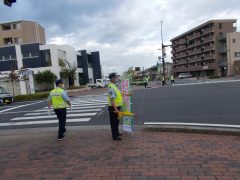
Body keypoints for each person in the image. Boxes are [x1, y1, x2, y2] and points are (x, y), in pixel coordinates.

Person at [108, 73, 131, 141]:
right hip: (113, 107)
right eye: (115, 77)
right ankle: (114, 136)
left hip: (117, 106)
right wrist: (116, 109)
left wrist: (128, 94)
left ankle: (117, 133)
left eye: (117, 77)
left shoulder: (114, 86)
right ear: (112, 78)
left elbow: (119, 93)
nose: (117, 79)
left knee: (117, 121)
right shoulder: (111, 87)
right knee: (114, 122)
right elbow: (112, 100)